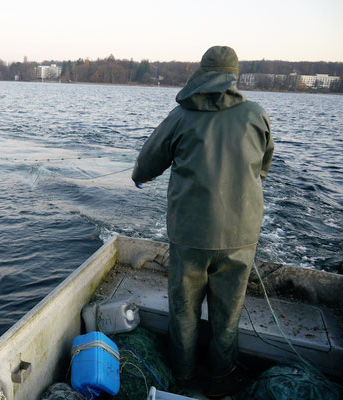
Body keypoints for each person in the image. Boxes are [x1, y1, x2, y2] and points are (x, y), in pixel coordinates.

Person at [131, 46, 274, 398]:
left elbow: (147, 162)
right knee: (227, 315)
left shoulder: (181, 116)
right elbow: (265, 164)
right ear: (234, 74)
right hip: (241, 237)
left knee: (184, 312)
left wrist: (139, 175)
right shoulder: (256, 114)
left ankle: (181, 376)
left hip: (190, 236)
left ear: (201, 72)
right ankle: (221, 376)